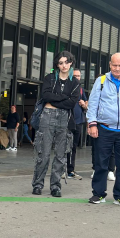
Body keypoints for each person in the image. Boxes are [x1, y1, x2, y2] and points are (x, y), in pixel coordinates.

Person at [86, 53, 120, 207]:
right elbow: (93, 104)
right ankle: (98, 194)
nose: (117, 69)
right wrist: (92, 124)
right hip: (104, 128)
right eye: (114, 65)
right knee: (101, 164)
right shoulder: (101, 80)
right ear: (110, 64)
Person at [32, 51, 80, 196]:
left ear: (71, 62)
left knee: (61, 154)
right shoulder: (50, 78)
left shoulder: (75, 82)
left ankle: (55, 186)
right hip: (47, 116)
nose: (64, 65)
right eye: (61, 62)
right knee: (43, 153)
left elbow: (72, 102)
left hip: (64, 118)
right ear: (57, 64)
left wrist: (55, 100)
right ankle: (38, 184)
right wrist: (63, 98)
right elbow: (45, 95)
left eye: (66, 62)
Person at [66, 68, 87, 180]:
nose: (77, 78)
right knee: (65, 146)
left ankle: (70, 170)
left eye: (78, 76)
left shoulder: (81, 90)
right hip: (67, 122)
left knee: (73, 147)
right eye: (75, 76)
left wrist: (84, 104)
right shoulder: (66, 88)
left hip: (78, 122)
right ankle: (62, 169)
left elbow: (86, 104)